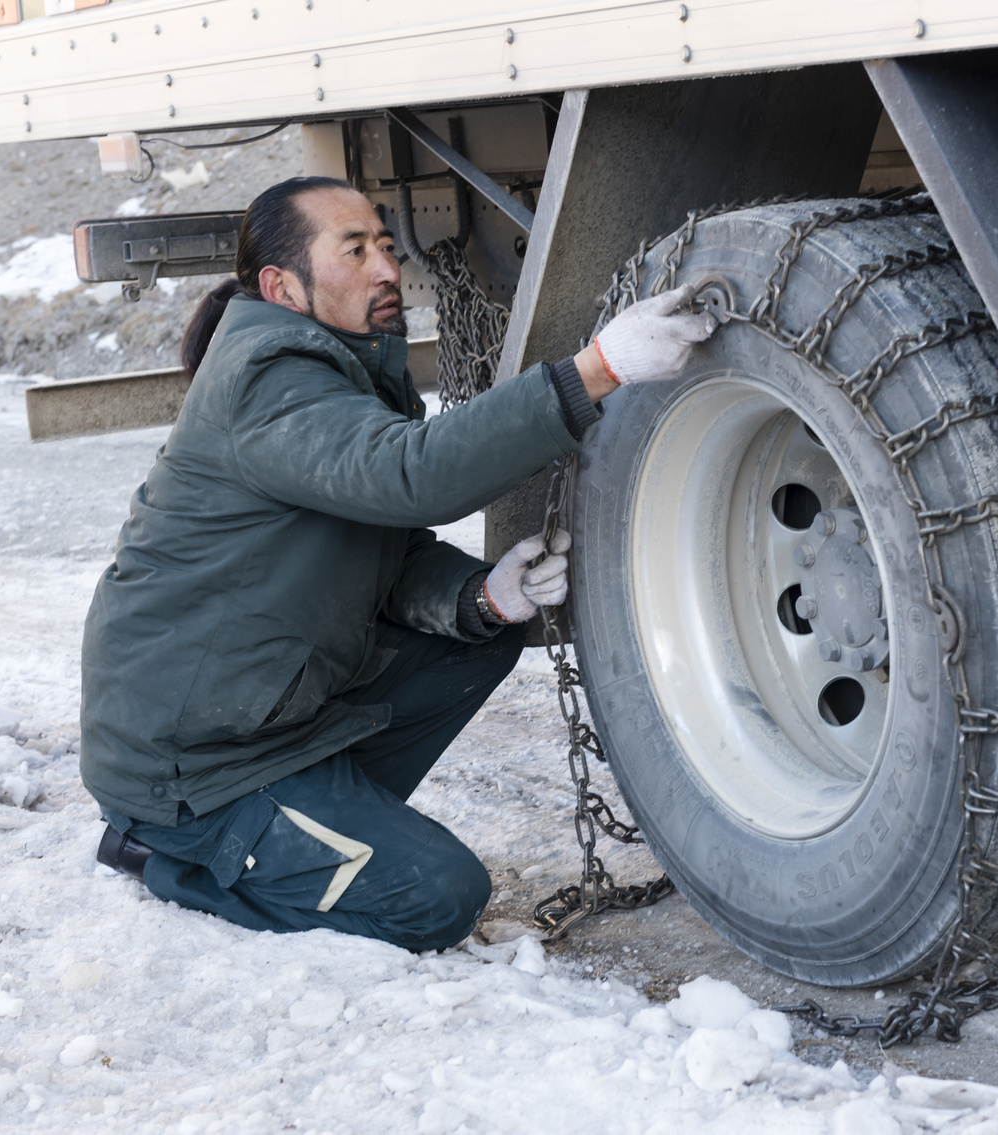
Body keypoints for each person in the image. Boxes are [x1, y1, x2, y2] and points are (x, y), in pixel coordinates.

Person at [80, 175, 714, 952]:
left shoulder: (341, 366)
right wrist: (595, 371)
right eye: (354, 249)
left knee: (476, 637)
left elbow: (386, 544)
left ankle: (318, 825)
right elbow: (410, 474)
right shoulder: (265, 375)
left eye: (386, 243)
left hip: (267, 720)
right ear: (282, 285)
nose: (388, 268)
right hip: (195, 768)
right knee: (438, 896)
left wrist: (482, 596)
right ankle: (175, 861)